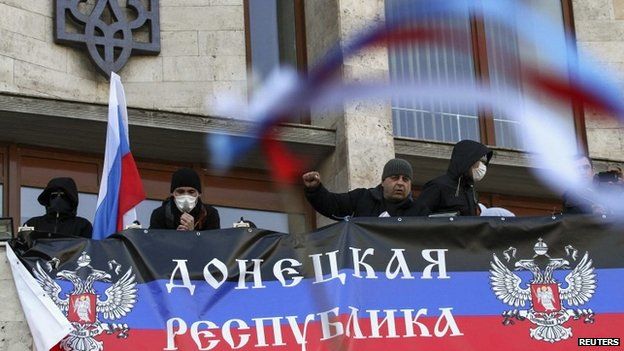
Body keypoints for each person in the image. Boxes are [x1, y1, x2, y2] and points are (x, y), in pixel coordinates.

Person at [303, 158, 429, 219]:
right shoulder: (362, 198)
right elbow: (332, 205)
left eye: (405, 179)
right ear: (383, 181)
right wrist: (315, 189)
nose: (401, 183)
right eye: (395, 178)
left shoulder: (419, 211)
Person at [417, 140, 493, 216]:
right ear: (468, 159)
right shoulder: (438, 187)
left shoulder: (471, 192)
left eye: (485, 163)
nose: (483, 166)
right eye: (480, 161)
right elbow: (416, 218)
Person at [150, 168, 220, 230]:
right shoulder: (160, 214)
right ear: (172, 193)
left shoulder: (210, 214)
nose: (186, 196)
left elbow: (214, 242)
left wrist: (192, 234)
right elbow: (152, 242)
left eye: (191, 192)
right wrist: (176, 237)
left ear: (199, 194)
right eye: (180, 192)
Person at [24, 177, 92, 238]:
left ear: (71, 200)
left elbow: (89, 249)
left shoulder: (83, 225)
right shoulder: (31, 223)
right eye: (54, 196)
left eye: (63, 196)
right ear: (48, 199)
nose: (58, 199)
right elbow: (20, 246)